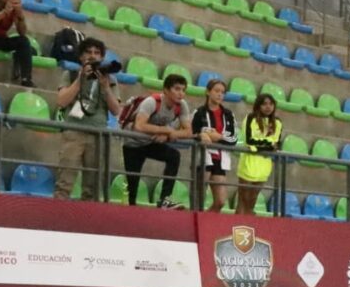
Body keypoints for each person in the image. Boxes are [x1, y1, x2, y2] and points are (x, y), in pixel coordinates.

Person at [54, 37, 122, 200]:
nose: (92, 56)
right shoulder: (70, 74)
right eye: (88, 52)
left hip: (98, 134)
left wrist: (106, 88)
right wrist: (80, 79)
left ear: (102, 57)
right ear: (81, 56)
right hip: (74, 131)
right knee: (65, 181)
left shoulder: (109, 79)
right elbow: (61, 101)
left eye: (97, 53)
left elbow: (116, 110)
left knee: (92, 186)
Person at [122, 74, 193, 209]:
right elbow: (139, 126)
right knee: (133, 183)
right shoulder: (152, 102)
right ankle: (130, 211)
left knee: (174, 156)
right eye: (177, 89)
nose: (181, 94)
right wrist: (165, 130)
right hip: (133, 143)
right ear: (166, 90)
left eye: (183, 90)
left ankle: (165, 199)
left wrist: (168, 135)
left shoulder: (181, 105)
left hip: (151, 143)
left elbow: (188, 131)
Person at [190, 79, 237, 212]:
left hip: (221, 159)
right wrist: (201, 135)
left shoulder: (228, 115)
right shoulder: (199, 113)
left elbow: (233, 138)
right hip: (203, 157)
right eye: (216, 91)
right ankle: (195, 222)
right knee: (199, 198)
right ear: (208, 92)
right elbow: (191, 133)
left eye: (222, 92)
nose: (220, 94)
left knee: (221, 201)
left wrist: (218, 137)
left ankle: (206, 221)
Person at [236, 94, 281, 215]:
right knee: (243, 197)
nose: (268, 107)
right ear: (258, 105)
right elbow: (250, 140)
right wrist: (268, 144)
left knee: (253, 197)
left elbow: (276, 144)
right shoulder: (251, 118)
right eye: (264, 104)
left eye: (271, 104)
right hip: (249, 161)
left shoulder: (277, 122)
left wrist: (260, 146)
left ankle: (249, 225)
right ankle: (237, 225)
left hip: (264, 164)